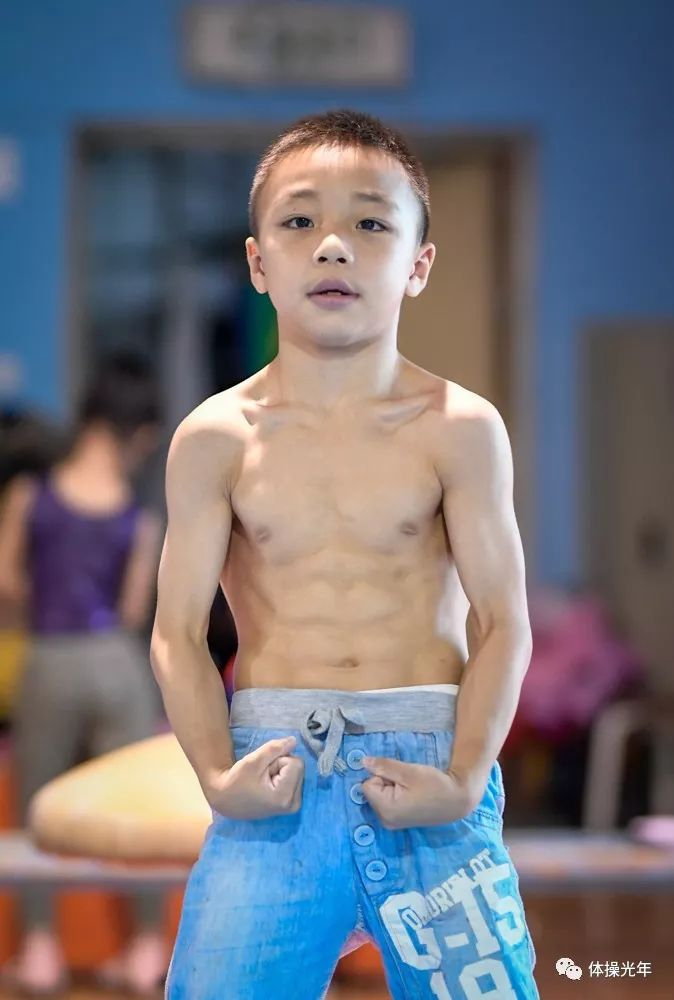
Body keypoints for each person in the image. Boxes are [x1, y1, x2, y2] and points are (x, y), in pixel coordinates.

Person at [152, 109, 539, 999]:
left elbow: (502, 621)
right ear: (258, 263)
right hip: (275, 777)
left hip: (431, 771)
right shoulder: (215, 436)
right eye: (299, 221)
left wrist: (464, 777)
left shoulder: (461, 428)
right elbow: (177, 632)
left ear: (418, 264)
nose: (333, 246)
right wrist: (215, 775)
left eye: (370, 222)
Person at [0, 353, 168, 996]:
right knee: (135, 808)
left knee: (38, 804)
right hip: (117, 662)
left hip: (49, 656)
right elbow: (132, 608)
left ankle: (40, 949)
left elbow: (8, 582)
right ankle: (145, 948)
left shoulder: (30, 496)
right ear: (136, 433)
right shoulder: (138, 516)